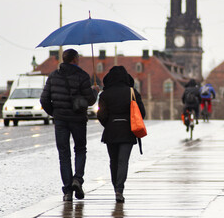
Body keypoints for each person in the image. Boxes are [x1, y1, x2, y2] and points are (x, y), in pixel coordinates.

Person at [40, 49, 99, 201]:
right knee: (80, 149)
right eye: (78, 58)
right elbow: (90, 101)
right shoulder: (83, 76)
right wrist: (95, 91)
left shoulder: (53, 76)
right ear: (74, 60)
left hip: (61, 120)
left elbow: (44, 99)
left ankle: (67, 191)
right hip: (78, 119)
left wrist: (55, 113)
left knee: (63, 154)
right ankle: (77, 179)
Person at [97, 66, 145, 203]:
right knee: (123, 161)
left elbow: (101, 115)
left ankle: (115, 187)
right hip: (128, 131)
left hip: (111, 131)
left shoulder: (104, 95)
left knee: (113, 161)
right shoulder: (132, 92)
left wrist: (109, 124)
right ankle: (119, 189)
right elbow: (142, 113)